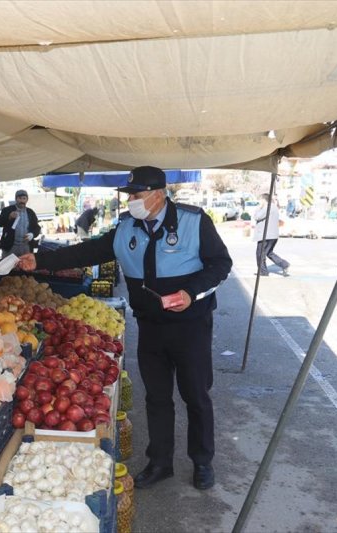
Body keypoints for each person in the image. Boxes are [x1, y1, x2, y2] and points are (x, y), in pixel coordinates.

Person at [17, 166, 232, 491]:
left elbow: (221, 264)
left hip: (191, 327)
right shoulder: (126, 227)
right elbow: (88, 251)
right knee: (157, 398)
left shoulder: (194, 221)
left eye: (137, 195)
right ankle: (160, 462)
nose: (131, 200)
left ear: (158, 195)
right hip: (150, 328)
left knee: (195, 395)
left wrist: (191, 293)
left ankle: (202, 461)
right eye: (129, 194)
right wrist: (40, 260)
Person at [0, 189, 41, 257]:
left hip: (26, 247)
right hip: (10, 247)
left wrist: (32, 234)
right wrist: (8, 216)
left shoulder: (30, 212)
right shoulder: (7, 210)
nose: (22, 201)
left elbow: (37, 227)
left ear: (27, 200)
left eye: (24, 198)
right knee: (8, 266)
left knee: (26, 266)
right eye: (19, 198)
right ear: (16, 199)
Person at [253, 194, 290, 277]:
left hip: (265, 235)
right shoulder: (274, 207)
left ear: (264, 200)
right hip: (272, 235)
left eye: (260, 200)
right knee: (269, 252)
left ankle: (263, 271)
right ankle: (284, 264)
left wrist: (258, 208)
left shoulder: (267, 207)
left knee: (260, 253)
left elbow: (257, 217)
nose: (259, 202)